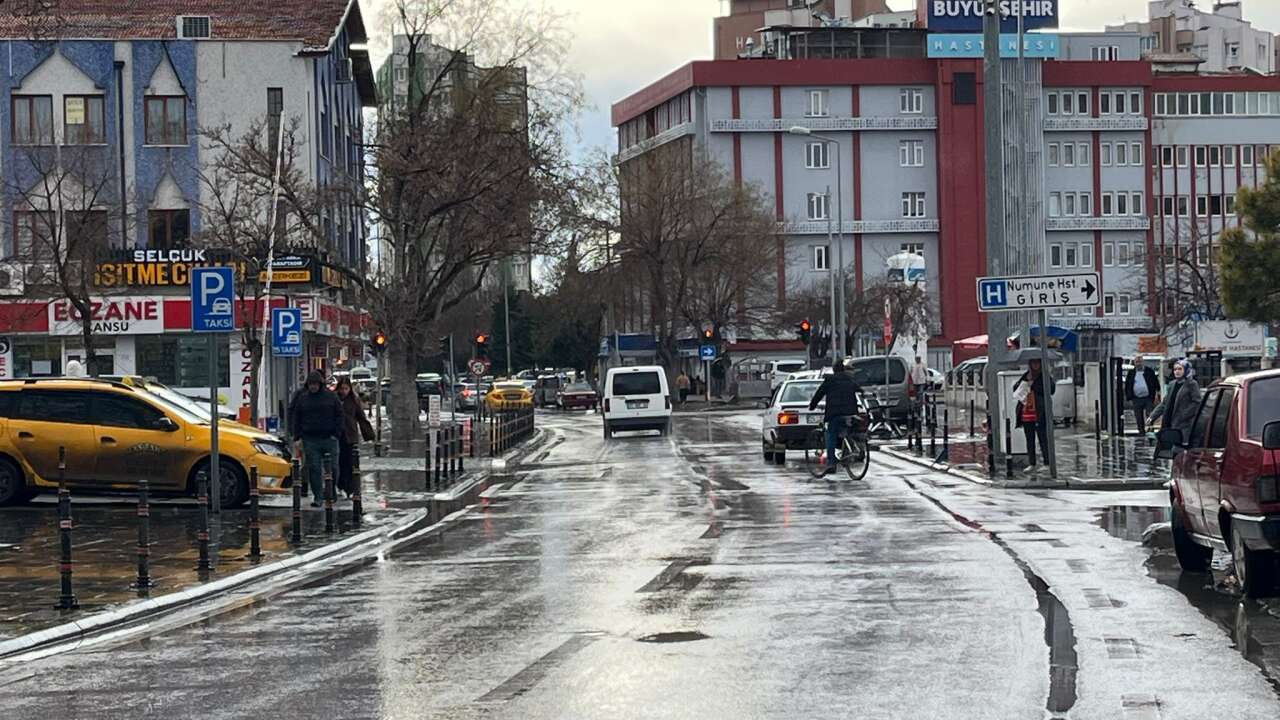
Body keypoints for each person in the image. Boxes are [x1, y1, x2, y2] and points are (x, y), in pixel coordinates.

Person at [289, 371, 344, 507]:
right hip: (310, 439)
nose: (313, 387)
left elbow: (339, 415)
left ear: (320, 384)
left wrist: (336, 434)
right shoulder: (303, 398)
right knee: (314, 468)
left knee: (333, 467)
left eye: (315, 384)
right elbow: (297, 417)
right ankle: (318, 496)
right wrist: (297, 436)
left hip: (329, 438)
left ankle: (331, 492)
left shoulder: (331, 397)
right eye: (311, 384)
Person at [808, 360, 864, 476]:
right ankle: (848, 450)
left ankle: (831, 463)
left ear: (834, 370)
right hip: (851, 412)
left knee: (830, 435)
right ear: (843, 369)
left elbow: (819, 394)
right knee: (847, 430)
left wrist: (812, 406)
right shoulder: (849, 380)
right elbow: (859, 389)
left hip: (835, 413)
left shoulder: (830, 380)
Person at [336, 377, 375, 498]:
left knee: (350, 463)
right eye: (342, 388)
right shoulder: (334, 399)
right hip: (337, 435)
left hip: (350, 435)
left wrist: (369, 434)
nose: (344, 391)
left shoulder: (354, 400)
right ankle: (340, 485)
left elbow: (361, 417)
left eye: (346, 388)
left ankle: (350, 488)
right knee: (339, 462)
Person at [1149, 359, 1201, 448]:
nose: (1177, 371)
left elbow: (1196, 402)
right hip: (1170, 421)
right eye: (1175, 369)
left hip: (1184, 424)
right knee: (1170, 448)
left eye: (1180, 369)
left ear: (1186, 370)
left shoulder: (1192, 384)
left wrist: (1184, 415)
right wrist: (1153, 416)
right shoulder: (1172, 384)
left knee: (1182, 448)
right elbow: (1165, 403)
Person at [1014, 358, 1056, 468]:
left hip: (1040, 412)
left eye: (1038, 363)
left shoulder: (1045, 376)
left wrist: (1033, 386)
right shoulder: (1026, 375)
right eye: (1033, 363)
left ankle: (1047, 462)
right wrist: (1024, 385)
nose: (1035, 365)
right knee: (1029, 439)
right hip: (1026, 412)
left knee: (1043, 438)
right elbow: (1016, 388)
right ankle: (1032, 463)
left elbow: (1051, 389)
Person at [1124, 356, 1161, 436]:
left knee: (1150, 414)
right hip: (1136, 398)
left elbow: (1155, 382)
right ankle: (1141, 432)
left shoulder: (1149, 371)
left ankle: (1150, 430)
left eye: (1140, 362)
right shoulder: (1131, 372)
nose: (1138, 364)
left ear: (1142, 362)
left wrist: (1157, 393)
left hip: (1148, 397)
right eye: (1136, 362)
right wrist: (1129, 395)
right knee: (1138, 416)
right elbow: (1128, 384)